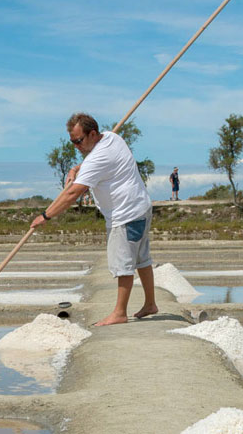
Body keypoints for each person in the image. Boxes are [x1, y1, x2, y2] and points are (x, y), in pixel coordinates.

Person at [31, 113, 158, 326]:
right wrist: (75, 168)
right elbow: (90, 161)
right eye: (72, 142)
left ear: (92, 134)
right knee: (141, 259)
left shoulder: (98, 159)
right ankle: (150, 304)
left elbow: (73, 194)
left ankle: (119, 313)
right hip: (140, 207)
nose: (76, 146)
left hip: (125, 214)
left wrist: (46, 215)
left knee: (123, 264)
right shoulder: (111, 137)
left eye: (79, 141)